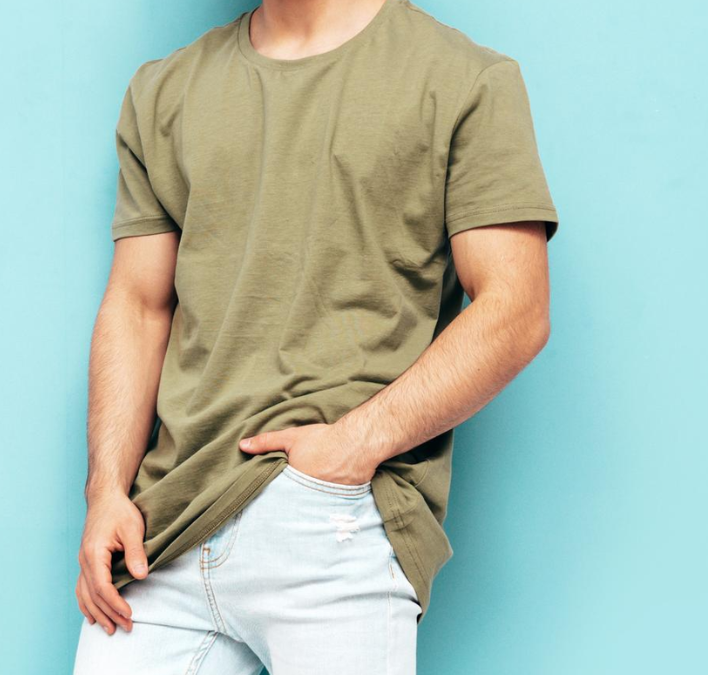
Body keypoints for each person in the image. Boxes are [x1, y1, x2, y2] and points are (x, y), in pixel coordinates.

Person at [73, 0, 558, 672]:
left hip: (333, 520)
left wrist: (353, 446)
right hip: (165, 528)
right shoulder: (164, 90)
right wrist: (106, 491)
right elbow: (138, 305)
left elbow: (517, 307)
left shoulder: (464, 79)